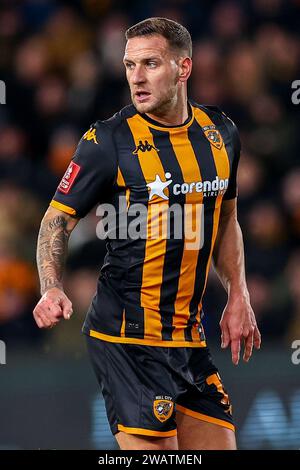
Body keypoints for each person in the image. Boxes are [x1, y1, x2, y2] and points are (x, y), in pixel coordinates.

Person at [33, 17, 261, 450]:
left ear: (183, 68)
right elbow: (55, 220)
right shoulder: (108, 141)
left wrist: (238, 294)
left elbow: (226, 220)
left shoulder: (221, 134)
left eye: (150, 64)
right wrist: (51, 285)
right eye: (129, 65)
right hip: (126, 339)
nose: (136, 77)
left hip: (188, 339)